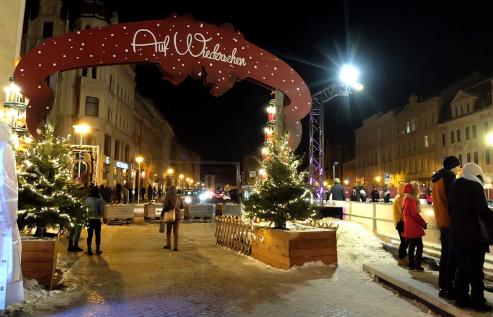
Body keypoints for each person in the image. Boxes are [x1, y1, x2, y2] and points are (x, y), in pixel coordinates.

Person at [450, 163, 493, 311]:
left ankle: (461, 299)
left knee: (461, 268)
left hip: (457, 234)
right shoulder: (474, 186)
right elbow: (482, 211)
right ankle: (478, 302)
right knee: (475, 270)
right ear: (477, 175)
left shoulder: (455, 185)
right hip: (473, 236)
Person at [431, 155, 461, 299]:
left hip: (441, 221)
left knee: (445, 255)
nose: (459, 169)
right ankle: (449, 288)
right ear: (452, 167)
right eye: (457, 166)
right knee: (451, 256)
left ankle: (443, 286)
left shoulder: (436, 179)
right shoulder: (450, 177)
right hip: (450, 222)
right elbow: (453, 201)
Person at [403, 182, 427, 271]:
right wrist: (424, 223)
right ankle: (417, 265)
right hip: (414, 227)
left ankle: (411, 264)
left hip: (408, 226)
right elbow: (415, 214)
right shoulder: (412, 200)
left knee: (412, 246)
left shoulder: (406, 199)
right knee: (419, 246)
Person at [162, 186, 184, 251]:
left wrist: (163, 213)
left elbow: (165, 206)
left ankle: (168, 245)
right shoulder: (179, 197)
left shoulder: (168, 196)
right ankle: (176, 247)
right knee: (176, 231)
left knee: (168, 231)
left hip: (170, 215)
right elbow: (182, 206)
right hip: (177, 216)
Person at [85, 185, 105, 256]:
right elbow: (102, 210)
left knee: (89, 235)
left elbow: (85, 209)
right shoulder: (99, 199)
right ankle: (97, 250)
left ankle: (89, 250)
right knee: (98, 235)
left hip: (89, 219)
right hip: (97, 220)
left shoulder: (87, 199)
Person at [392, 182, 408, 264]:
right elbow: (402, 211)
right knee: (404, 241)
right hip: (401, 223)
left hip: (401, 222)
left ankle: (403, 258)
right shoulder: (399, 198)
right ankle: (402, 258)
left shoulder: (399, 197)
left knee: (405, 241)